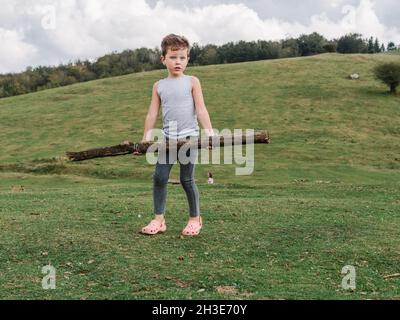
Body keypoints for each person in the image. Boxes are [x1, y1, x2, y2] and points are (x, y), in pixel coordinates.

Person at [139, 34, 215, 236]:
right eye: (173, 57)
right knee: (159, 177)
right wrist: (145, 139)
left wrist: (209, 133)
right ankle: (158, 220)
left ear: (188, 59)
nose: (178, 62)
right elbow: (153, 113)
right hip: (167, 141)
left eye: (182, 57)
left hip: (189, 139)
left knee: (186, 179)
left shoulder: (192, 81)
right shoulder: (159, 86)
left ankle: (195, 219)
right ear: (163, 59)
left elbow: (201, 109)